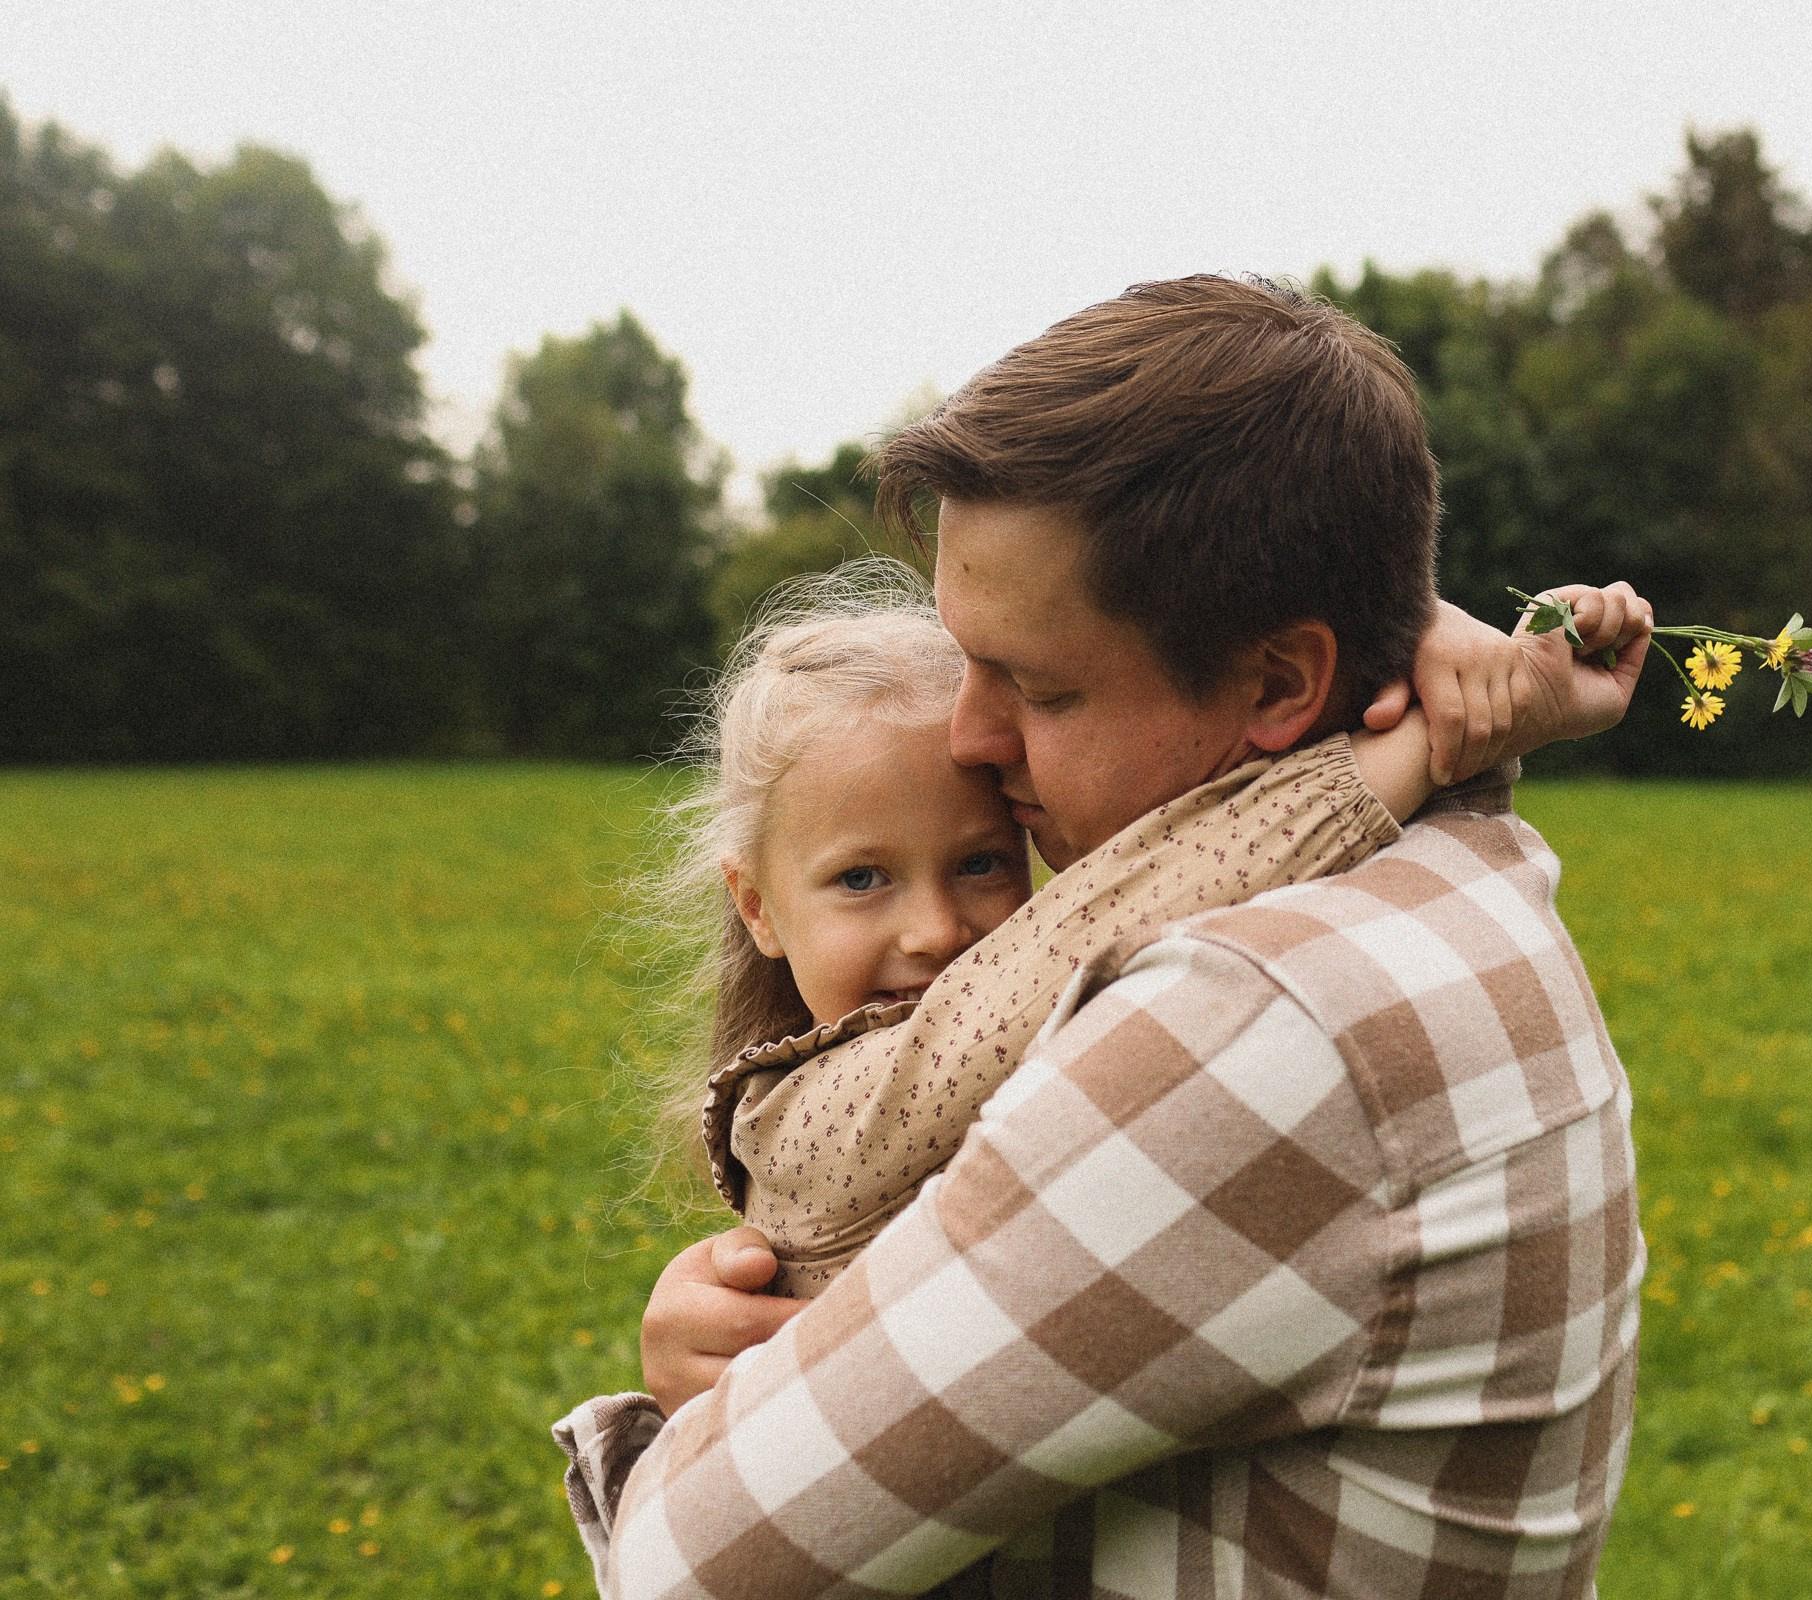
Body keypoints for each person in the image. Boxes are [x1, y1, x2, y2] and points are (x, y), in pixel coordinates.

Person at [558, 275, 1652, 1599]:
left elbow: (690, 1570)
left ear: (1278, 683)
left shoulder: (1247, 1019)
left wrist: (708, 1415)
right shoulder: (1464, 866)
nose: (966, 737)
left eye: (1038, 684)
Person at [638, 560, 1618, 1305]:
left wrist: (1420, 642)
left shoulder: (1063, 1019)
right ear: (757, 905)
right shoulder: (797, 1128)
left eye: (983, 861)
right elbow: (1136, 899)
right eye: (861, 878)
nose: (938, 931)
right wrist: (1436, 726)